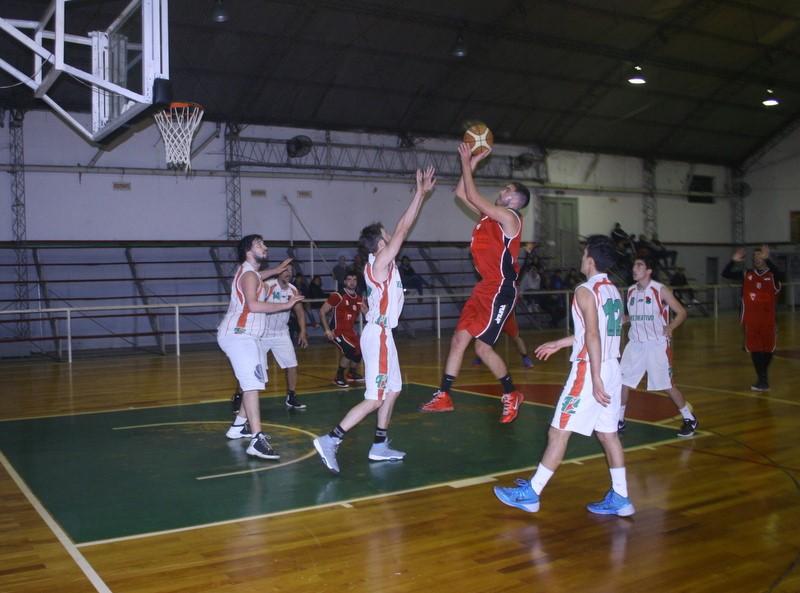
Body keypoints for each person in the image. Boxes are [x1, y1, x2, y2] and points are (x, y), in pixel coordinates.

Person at [494, 235, 635, 517]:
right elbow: (600, 331)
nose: (581, 259)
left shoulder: (584, 290)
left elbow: (592, 334)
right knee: (608, 435)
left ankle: (532, 494)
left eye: (584, 254)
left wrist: (595, 376)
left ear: (590, 260)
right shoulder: (613, 291)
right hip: (612, 367)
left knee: (558, 431)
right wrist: (560, 343)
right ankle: (621, 497)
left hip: (590, 370)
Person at [313, 166, 436, 474]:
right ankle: (331, 439)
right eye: (386, 233)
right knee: (375, 398)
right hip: (378, 334)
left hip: (383, 334)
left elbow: (400, 232)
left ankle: (380, 445)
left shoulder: (382, 262)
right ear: (381, 242)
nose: (392, 234)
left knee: (393, 389)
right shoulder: (380, 261)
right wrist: (420, 194)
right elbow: (404, 228)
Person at [419, 143, 529, 423]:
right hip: (484, 287)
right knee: (459, 339)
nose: (502, 191)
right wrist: (472, 164)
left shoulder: (510, 218)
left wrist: (467, 162)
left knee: (482, 348)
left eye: (507, 189)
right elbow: (461, 193)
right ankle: (444, 395)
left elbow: (473, 195)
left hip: (500, 289)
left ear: (515, 199)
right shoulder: (489, 217)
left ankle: (511, 393)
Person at [218, 235, 304, 460]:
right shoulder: (248, 274)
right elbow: (253, 305)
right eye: (259, 244)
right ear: (248, 250)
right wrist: (286, 304)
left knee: (256, 381)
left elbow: (258, 277)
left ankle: (238, 427)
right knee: (252, 385)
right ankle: (257, 440)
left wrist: (276, 270)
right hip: (239, 335)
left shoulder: (251, 273)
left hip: (249, 336)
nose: (265, 247)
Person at [617, 257, 698, 437]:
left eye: (639, 265)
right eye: (634, 265)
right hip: (635, 344)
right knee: (622, 382)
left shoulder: (660, 290)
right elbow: (635, 316)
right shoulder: (630, 291)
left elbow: (681, 312)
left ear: (649, 271)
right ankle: (619, 420)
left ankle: (689, 418)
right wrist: (625, 319)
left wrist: (671, 327)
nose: (634, 268)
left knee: (666, 385)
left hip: (656, 345)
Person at [721, 244, 783, 391]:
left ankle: (763, 377)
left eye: (760, 255)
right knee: (755, 349)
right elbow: (725, 274)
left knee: (768, 350)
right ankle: (762, 379)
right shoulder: (746, 274)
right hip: (751, 319)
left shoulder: (772, 275)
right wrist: (732, 261)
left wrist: (769, 260)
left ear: (765, 257)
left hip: (768, 320)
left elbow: (780, 274)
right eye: (755, 256)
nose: (757, 258)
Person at [319, 271, 368, 387]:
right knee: (350, 350)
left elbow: (367, 314)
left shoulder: (359, 298)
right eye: (349, 279)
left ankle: (352, 373)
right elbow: (322, 311)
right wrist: (327, 330)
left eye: (354, 280)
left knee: (361, 349)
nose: (352, 282)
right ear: (345, 281)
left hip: (349, 332)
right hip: (336, 331)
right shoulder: (338, 296)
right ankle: (339, 376)